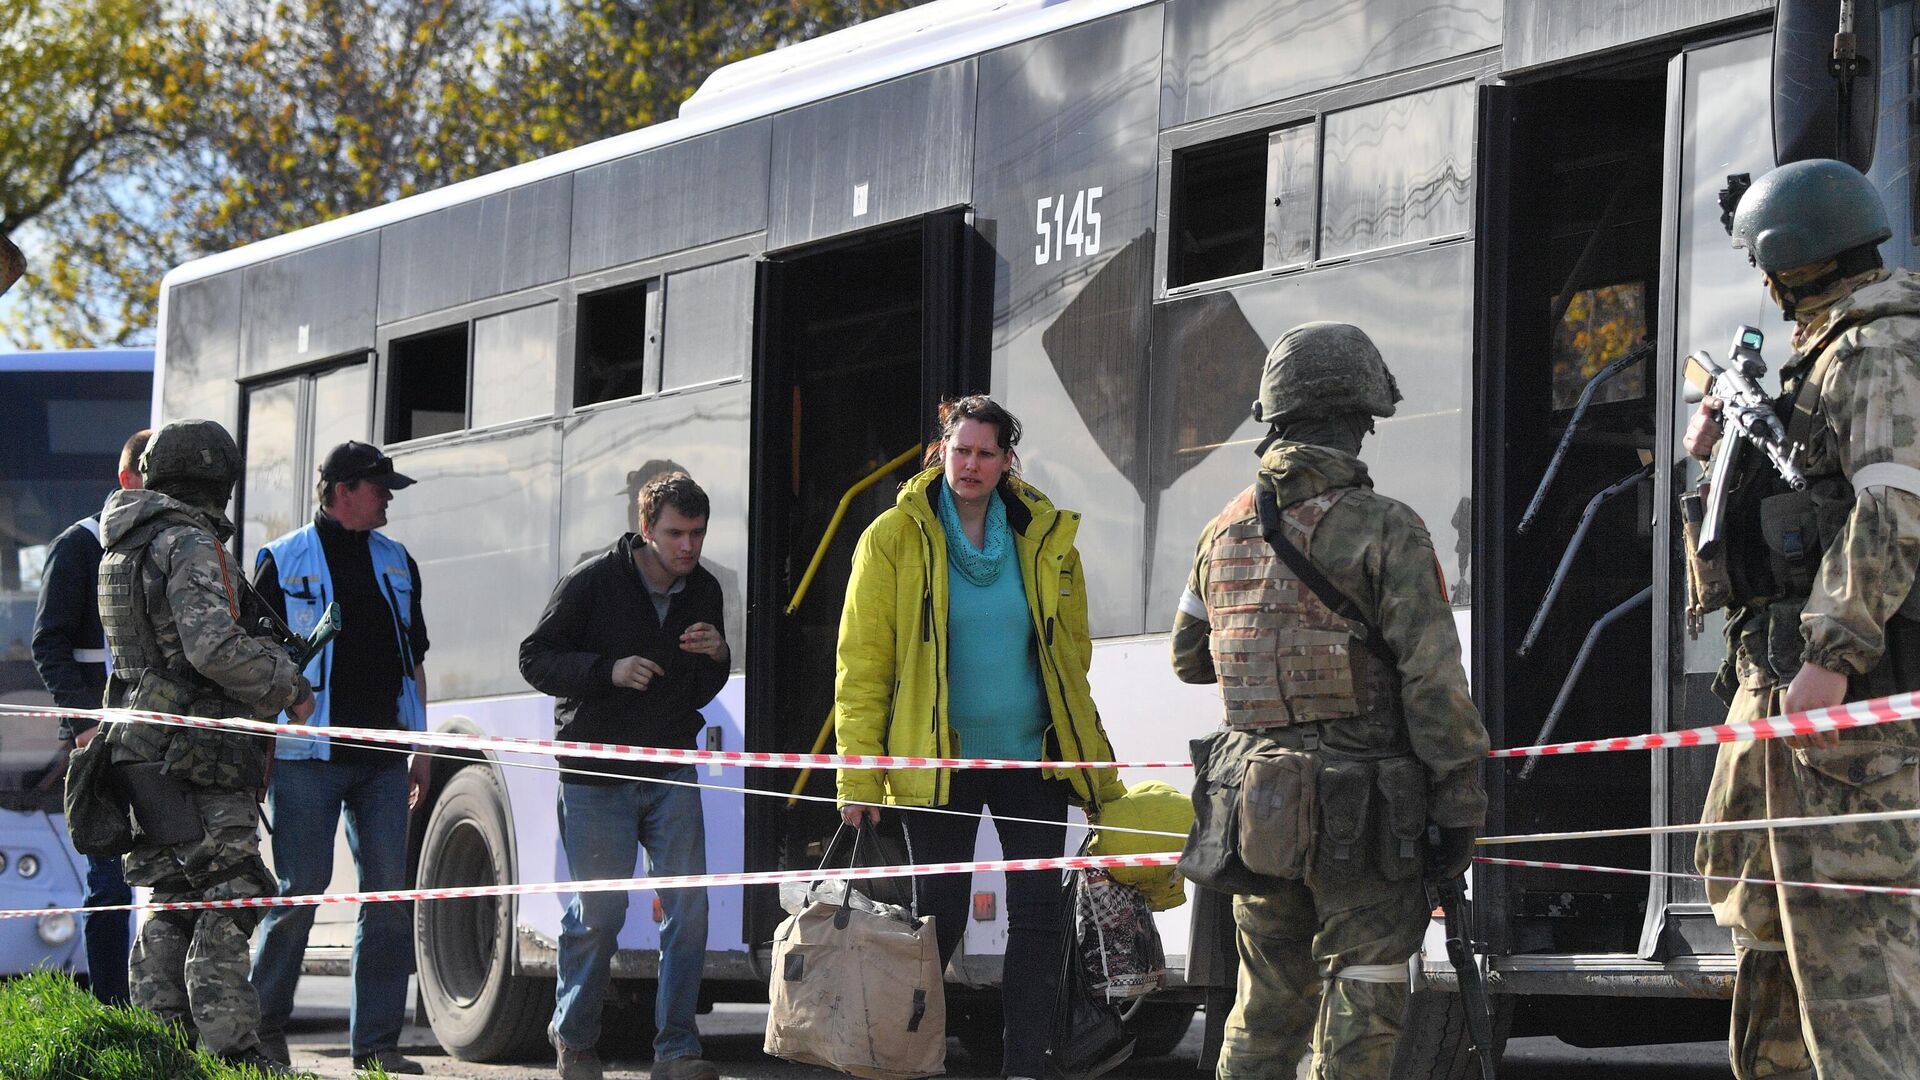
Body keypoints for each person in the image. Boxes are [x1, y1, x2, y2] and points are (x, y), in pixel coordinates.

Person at [1170, 323, 1488, 1078]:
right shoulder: (1388, 529)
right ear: (1356, 420)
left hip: (1257, 808)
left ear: (1273, 416)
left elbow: (1188, 659)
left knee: (1264, 1008)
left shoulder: (1222, 531)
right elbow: (1435, 683)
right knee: (1363, 1001)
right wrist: (1460, 804)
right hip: (1367, 813)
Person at [1684, 158, 1920, 1080]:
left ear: (1787, 262)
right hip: (1776, 685)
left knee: (1853, 959)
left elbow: (1894, 508)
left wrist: (1831, 651)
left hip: (1843, 705)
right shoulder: (1825, 354)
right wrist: (1713, 451)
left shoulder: (1877, 352)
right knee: (1767, 920)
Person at [834, 395, 1126, 1080]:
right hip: (938, 767)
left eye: (985, 453)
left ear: (1006, 460)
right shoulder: (892, 536)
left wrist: (1095, 769)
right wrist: (858, 776)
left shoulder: (1043, 534)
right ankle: (909, 1061)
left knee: (1039, 921)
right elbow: (862, 664)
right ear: (942, 449)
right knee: (936, 918)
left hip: (1032, 759)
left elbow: (1070, 656)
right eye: (959, 450)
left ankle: (1027, 1064)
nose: (970, 464)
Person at [96, 418, 314, 1073]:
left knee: (173, 894)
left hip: (137, 742)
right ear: (219, 480)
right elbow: (210, 646)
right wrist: (286, 682)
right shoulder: (185, 540)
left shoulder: (119, 542)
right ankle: (232, 1049)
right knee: (232, 890)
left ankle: (161, 1047)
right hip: (196, 749)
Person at [520, 471, 729, 1080]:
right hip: (595, 773)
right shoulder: (591, 582)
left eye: (697, 533)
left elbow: (702, 686)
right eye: (675, 534)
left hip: (668, 766)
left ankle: (677, 1050)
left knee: (689, 913)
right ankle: (576, 1042)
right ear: (646, 530)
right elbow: (535, 658)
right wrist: (606, 670)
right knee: (599, 916)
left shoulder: (704, 589)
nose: (688, 546)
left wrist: (717, 655)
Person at [247, 441, 430, 1075]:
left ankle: (378, 1048)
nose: (389, 498)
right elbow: (253, 665)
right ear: (343, 490)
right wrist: (263, 745)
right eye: (381, 488)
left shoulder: (397, 560)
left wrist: (420, 745)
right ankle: (261, 1034)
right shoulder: (282, 558)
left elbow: (415, 662)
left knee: (387, 899)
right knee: (300, 891)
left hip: (382, 755)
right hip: (304, 756)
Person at [32, 427, 148, 1006]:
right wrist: (84, 724)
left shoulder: (171, 544)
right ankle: (113, 1013)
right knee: (109, 883)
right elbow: (48, 643)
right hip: (98, 743)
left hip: (160, 739)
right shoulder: (77, 545)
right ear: (129, 479)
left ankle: (167, 1017)